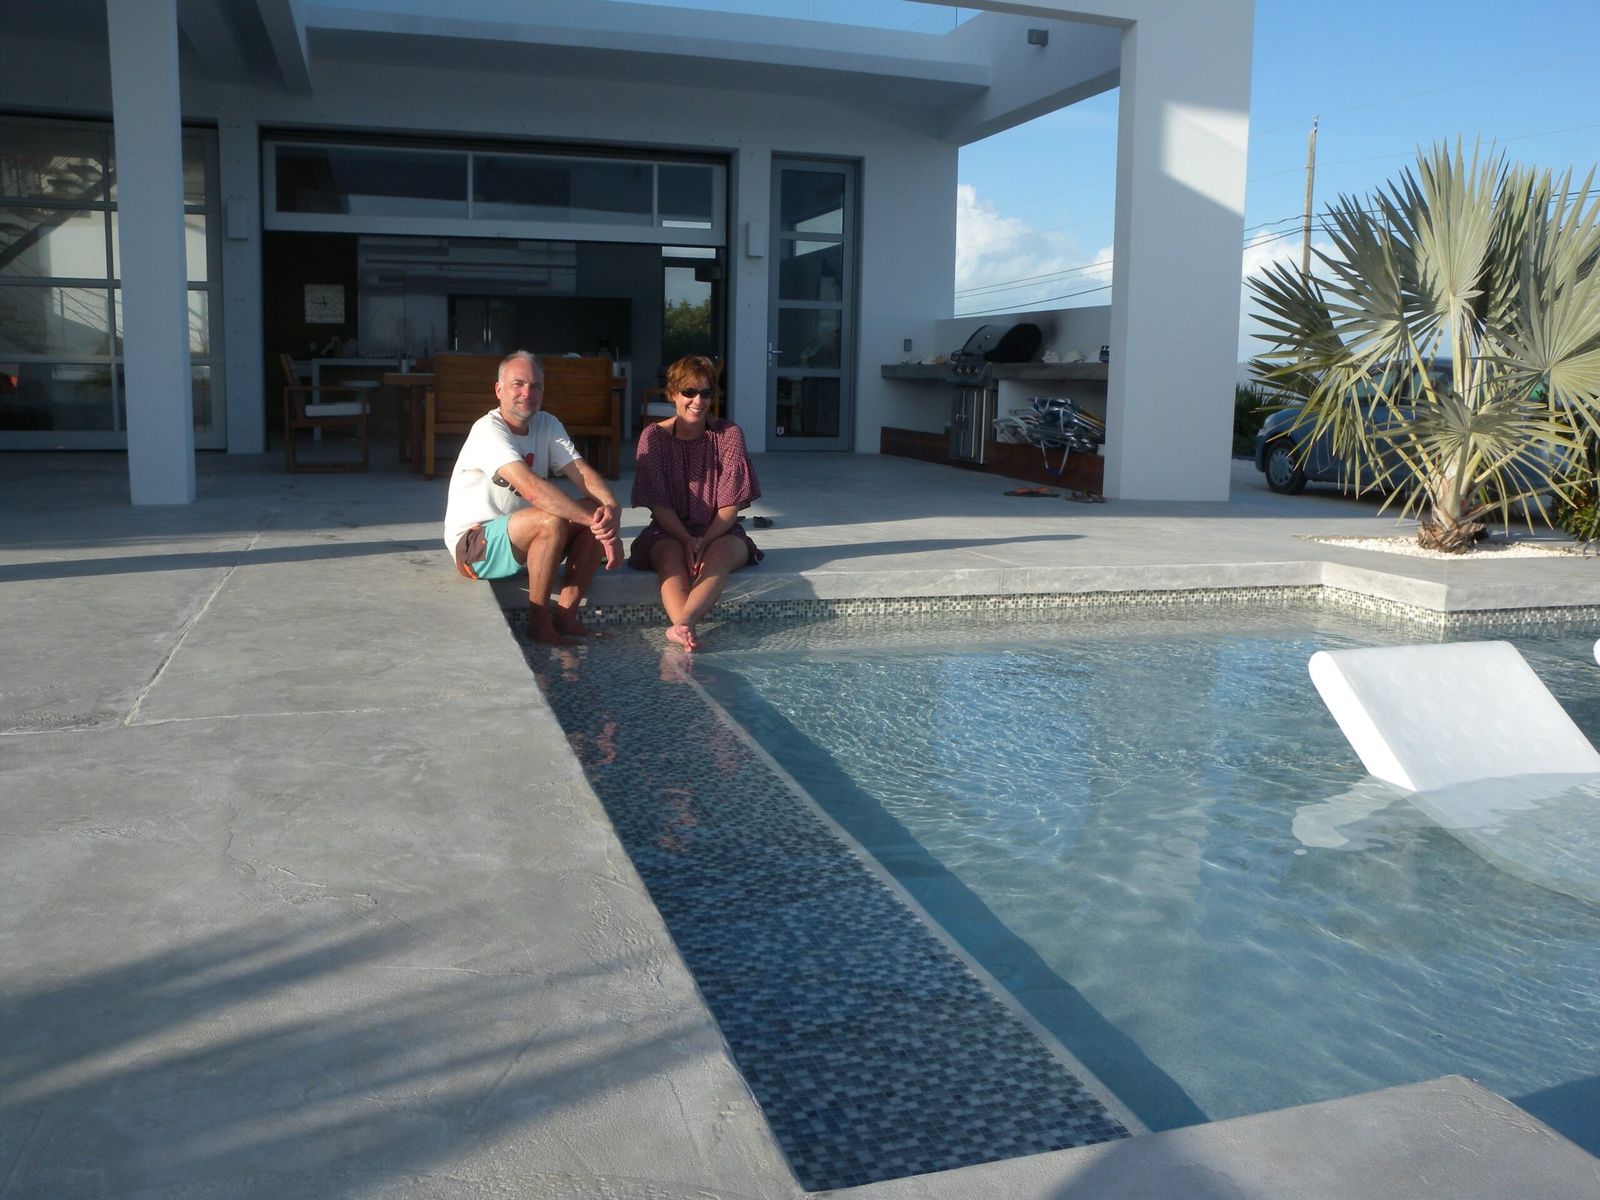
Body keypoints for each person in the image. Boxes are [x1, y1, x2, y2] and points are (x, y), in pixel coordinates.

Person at [442, 350, 622, 644]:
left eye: (535, 386)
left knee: (596, 508)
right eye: (518, 384)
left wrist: (611, 509)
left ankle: (565, 617)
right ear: (499, 390)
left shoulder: (547, 424)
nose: (527, 393)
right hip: (475, 548)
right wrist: (605, 532)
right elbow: (531, 489)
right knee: (556, 519)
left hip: (523, 538)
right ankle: (539, 624)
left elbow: (580, 472)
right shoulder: (487, 430)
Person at [628, 355, 762, 651]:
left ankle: (683, 624)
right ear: (673, 394)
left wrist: (703, 541)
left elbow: (730, 505)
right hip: (668, 528)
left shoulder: (729, 435)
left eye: (705, 393)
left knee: (722, 555)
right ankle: (683, 628)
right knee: (669, 558)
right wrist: (686, 539)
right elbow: (659, 503)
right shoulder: (653, 437)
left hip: (720, 529)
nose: (697, 401)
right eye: (689, 392)